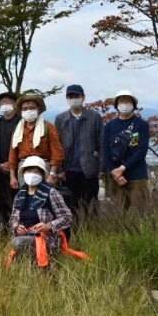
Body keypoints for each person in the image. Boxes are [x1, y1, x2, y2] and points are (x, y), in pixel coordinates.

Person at [7, 156, 74, 270]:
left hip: (47, 238)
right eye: (28, 171)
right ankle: (36, 268)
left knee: (17, 243)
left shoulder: (51, 193)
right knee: (15, 265)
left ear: (42, 174)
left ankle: (43, 266)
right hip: (26, 236)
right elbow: (13, 219)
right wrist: (17, 228)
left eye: (36, 171)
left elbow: (67, 217)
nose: (32, 174)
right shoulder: (20, 195)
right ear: (23, 173)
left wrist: (48, 226)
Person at [54, 85, 104, 219]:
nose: (74, 99)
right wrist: (59, 169)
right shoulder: (60, 119)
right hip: (68, 171)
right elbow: (56, 145)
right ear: (67, 99)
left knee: (91, 206)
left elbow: (102, 144)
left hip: (89, 170)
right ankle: (73, 235)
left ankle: (92, 234)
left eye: (77, 96)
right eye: (71, 97)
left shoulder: (94, 117)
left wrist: (101, 167)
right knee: (70, 206)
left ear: (83, 97)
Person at [102, 89, 150, 212]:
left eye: (127, 101)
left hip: (137, 174)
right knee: (119, 213)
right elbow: (105, 151)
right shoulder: (110, 126)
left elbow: (141, 150)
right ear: (116, 105)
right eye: (121, 101)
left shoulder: (141, 125)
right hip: (116, 177)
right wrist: (114, 172)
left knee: (140, 212)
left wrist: (122, 168)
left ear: (133, 105)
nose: (124, 104)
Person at [7, 93, 64, 190]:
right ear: (21, 112)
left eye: (31, 108)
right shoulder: (18, 129)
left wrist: (52, 174)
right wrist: (12, 177)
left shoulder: (48, 127)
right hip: (24, 167)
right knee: (26, 196)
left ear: (38, 109)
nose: (28, 111)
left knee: (45, 196)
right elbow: (12, 154)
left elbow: (57, 153)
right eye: (25, 109)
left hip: (44, 166)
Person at [0, 91, 20, 222]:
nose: (5, 105)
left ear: (15, 105)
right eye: (2, 103)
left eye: (8, 102)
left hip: (20, 169)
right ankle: (7, 229)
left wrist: (14, 163)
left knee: (20, 200)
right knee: (4, 202)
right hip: (2, 170)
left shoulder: (21, 123)